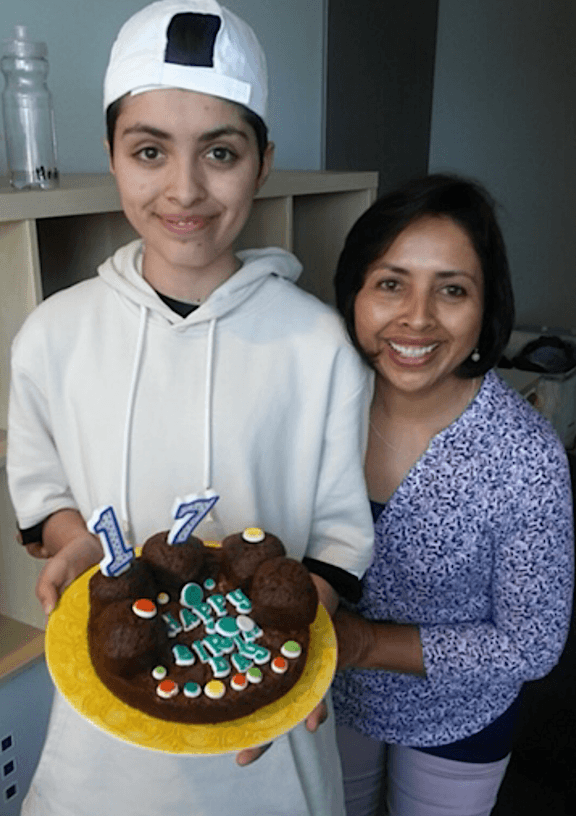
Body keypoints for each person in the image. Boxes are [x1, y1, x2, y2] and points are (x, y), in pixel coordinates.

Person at [7, 2, 374, 814]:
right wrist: (75, 549)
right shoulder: (52, 336)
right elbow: (42, 494)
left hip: (267, 739)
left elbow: (343, 533)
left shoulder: (318, 346)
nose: (185, 189)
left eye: (220, 152)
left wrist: (298, 648)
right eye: (148, 151)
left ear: (263, 162)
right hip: (104, 729)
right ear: (110, 156)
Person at [331, 173, 574, 816]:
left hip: (460, 715)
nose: (416, 317)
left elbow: (533, 643)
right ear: (354, 292)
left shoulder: (525, 457)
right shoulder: (320, 411)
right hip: (330, 697)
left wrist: (364, 644)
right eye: (390, 283)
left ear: (486, 306)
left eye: (452, 290)